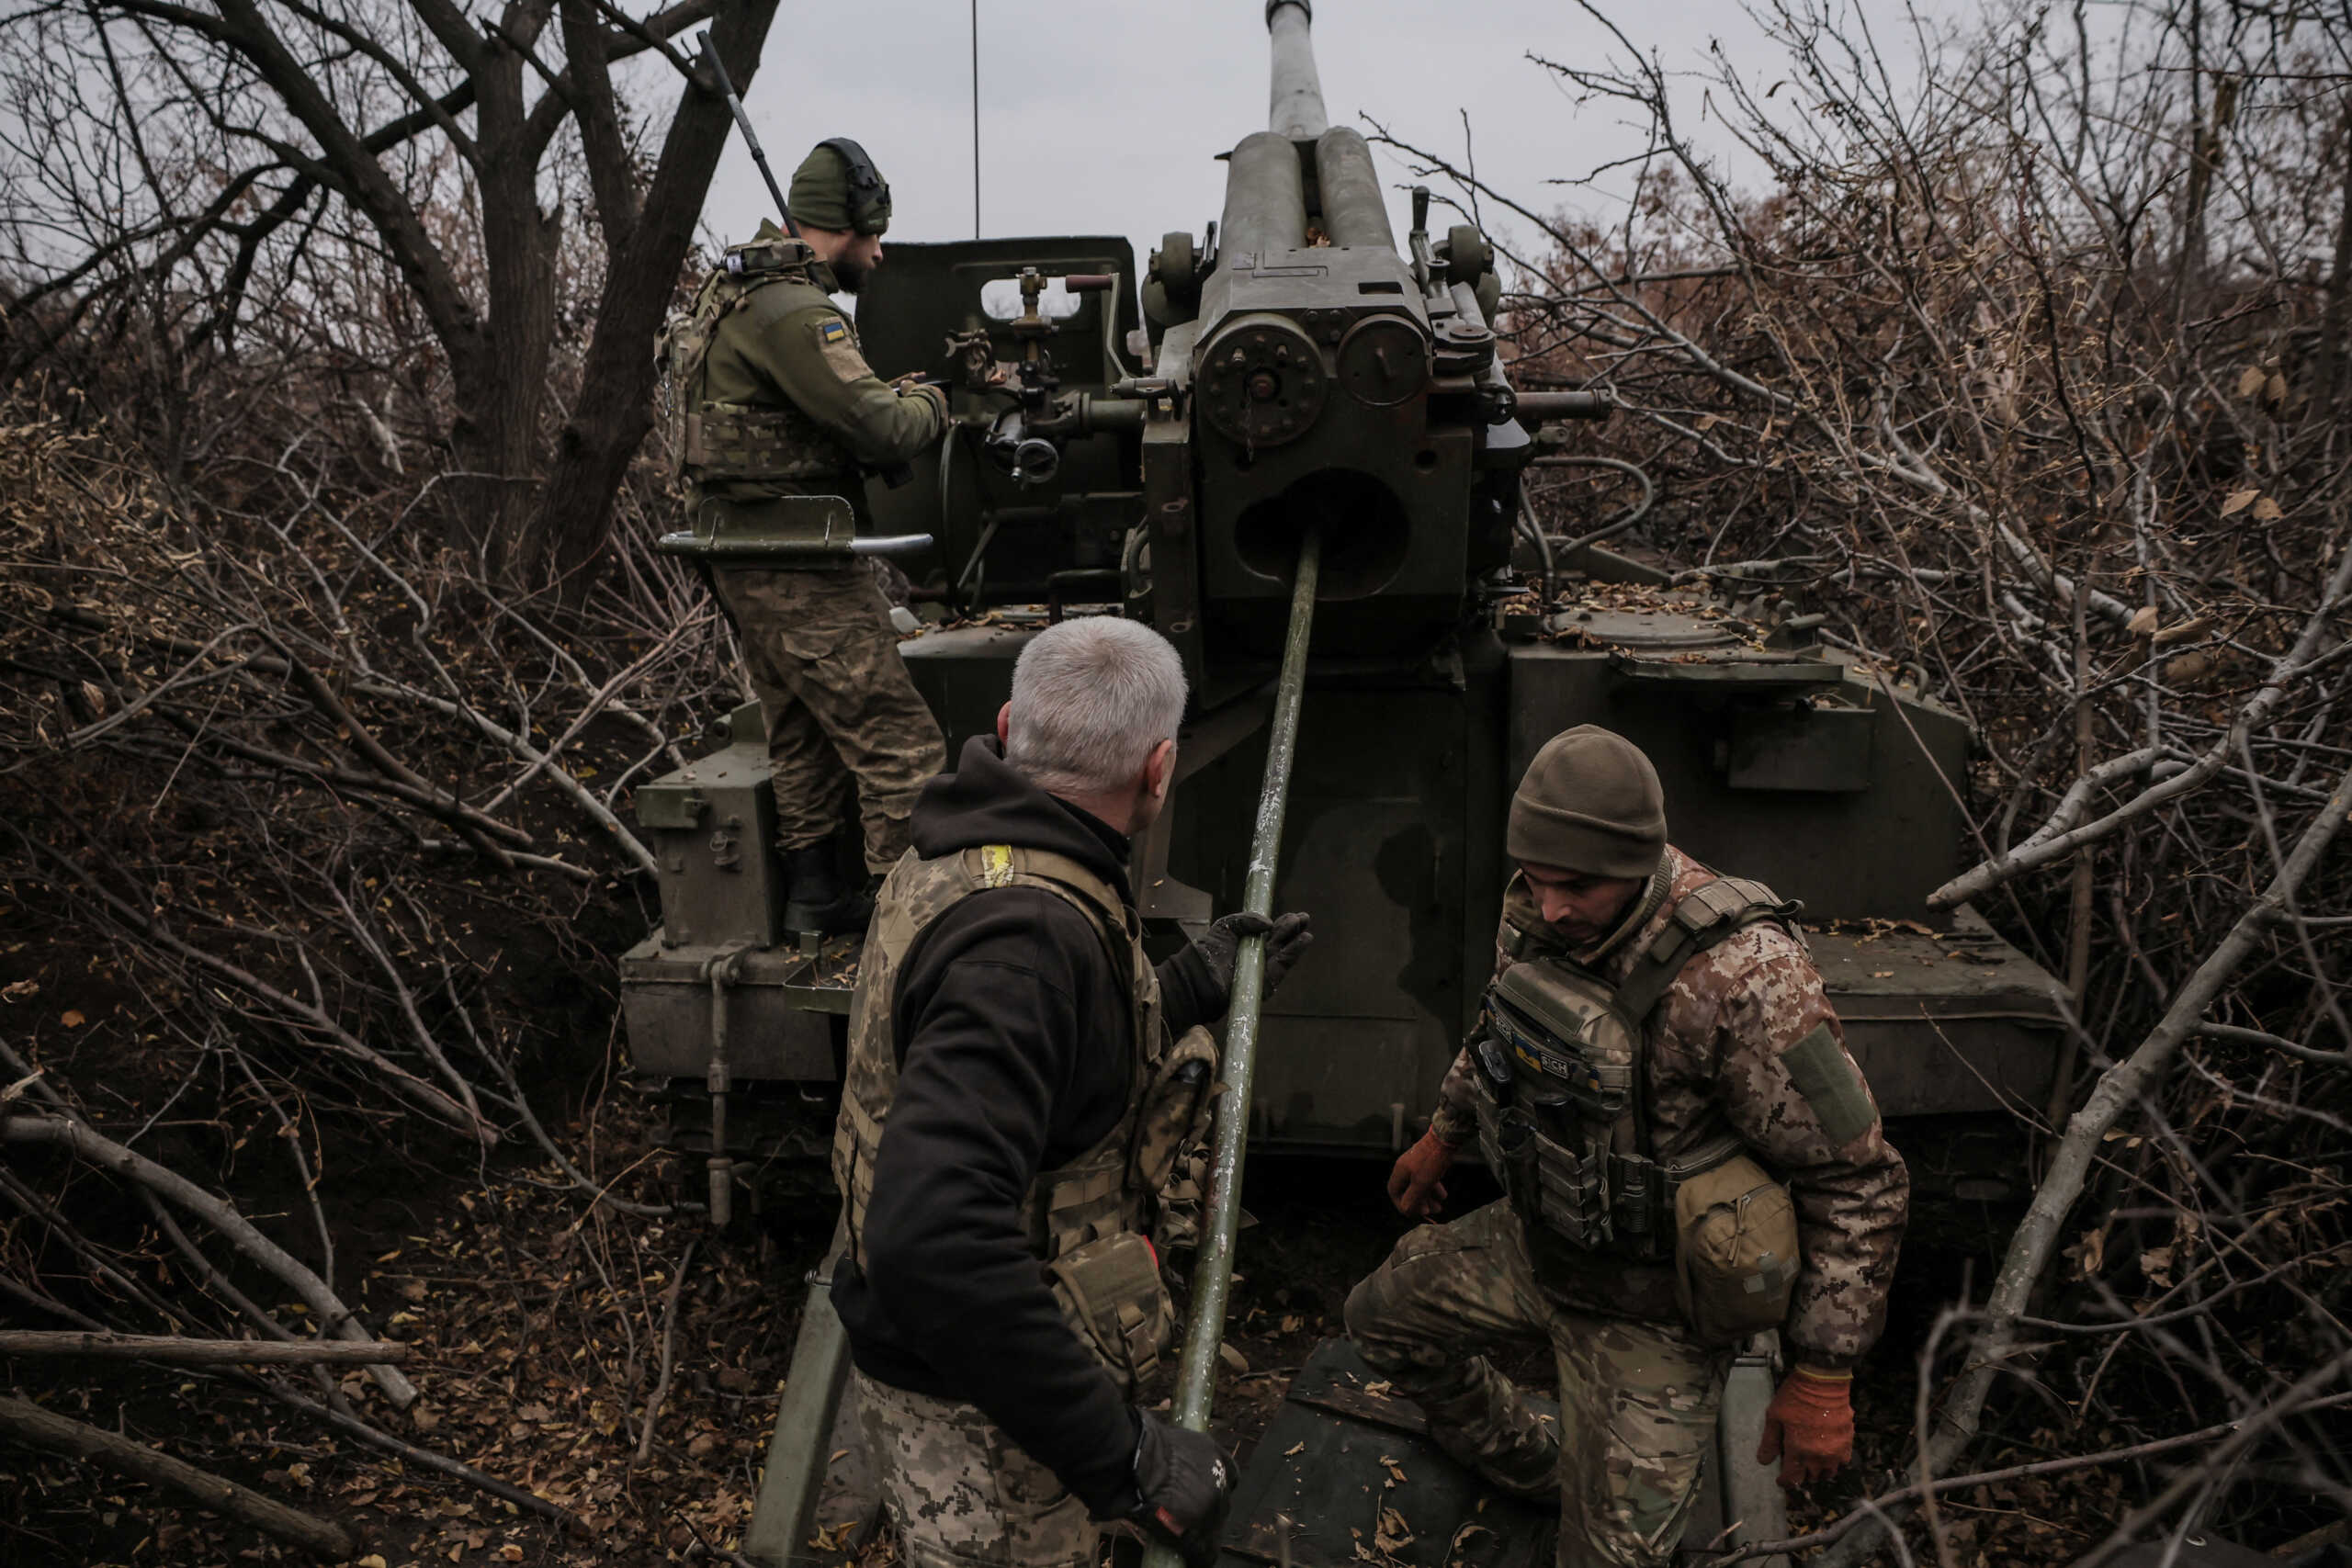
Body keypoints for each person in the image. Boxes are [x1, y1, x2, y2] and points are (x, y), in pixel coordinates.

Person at [1345, 725, 1908, 1567]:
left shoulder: (1747, 977)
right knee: (1380, 1324)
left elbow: (1858, 1180)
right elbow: (1502, 1024)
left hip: (1658, 1313)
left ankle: (1601, 1504)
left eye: (1577, 885)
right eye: (1537, 881)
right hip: (1538, 1244)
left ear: (1642, 861)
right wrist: (1444, 1131)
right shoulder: (1540, 910)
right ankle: (1531, 1465)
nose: (1553, 907)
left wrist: (1824, 1375)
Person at [828, 616, 1314, 1568]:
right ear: (1160, 767)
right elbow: (932, 1238)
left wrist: (1178, 993)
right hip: (982, 1414)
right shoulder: (1027, 943)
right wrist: (1123, 1456)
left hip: (973, 1372)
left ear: (1010, 727)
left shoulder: (968, 851)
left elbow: (1038, 1080)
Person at [663, 138, 951, 932]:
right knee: (902, 749)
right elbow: (884, 427)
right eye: (874, 236)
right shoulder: (796, 309)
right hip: (801, 566)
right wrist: (934, 404)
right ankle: (906, 934)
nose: (881, 254)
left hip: (744, 554)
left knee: (801, 734)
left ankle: (817, 900)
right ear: (846, 224)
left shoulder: (734, 291)